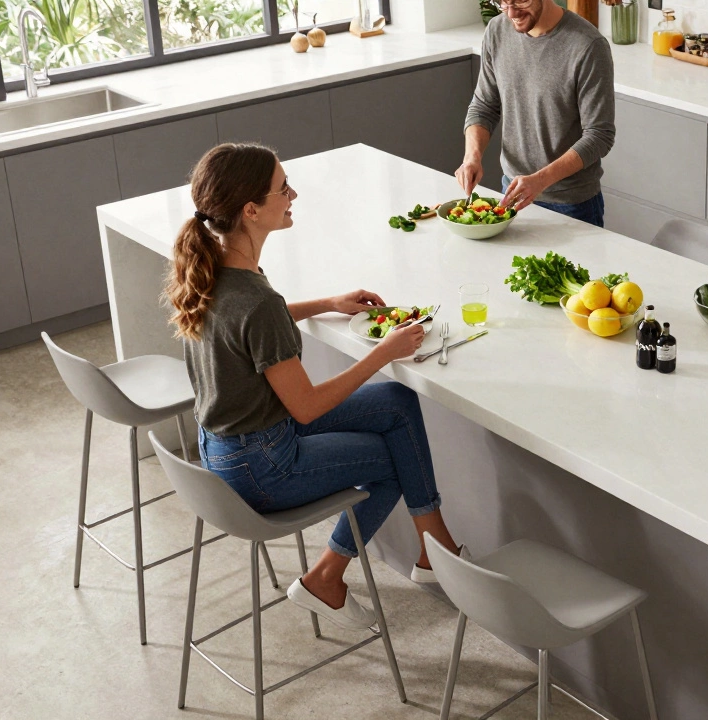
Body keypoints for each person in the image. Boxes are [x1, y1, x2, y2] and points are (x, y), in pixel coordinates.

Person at [166, 143, 464, 631]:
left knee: (396, 401)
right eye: (283, 189)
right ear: (250, 210)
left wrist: (327, 302)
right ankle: (328, 577)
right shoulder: (256, 300)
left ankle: (436, 552)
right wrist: (384, 352)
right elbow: (305, 408)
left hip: (226, 448)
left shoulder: (212, 271)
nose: (293, 194)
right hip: (263, 464)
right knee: (394, 461)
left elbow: (250, 327)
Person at [456, 0, 615, 227]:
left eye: (521, 0)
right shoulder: (497, 30)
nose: (511, 12)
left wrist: (540, 180)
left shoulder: (588, 45)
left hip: (571, 205)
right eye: (502, 2)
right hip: (511, 193)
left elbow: (600, 136)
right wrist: (472, 157)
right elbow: (484, 105)